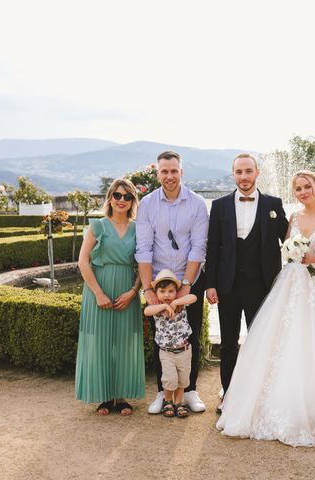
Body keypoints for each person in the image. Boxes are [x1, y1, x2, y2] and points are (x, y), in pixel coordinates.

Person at [216, 170, 315, 446]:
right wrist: (293, 253)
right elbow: (286, 248)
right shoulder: (292, 217)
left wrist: (313, 256)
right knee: (285, 340)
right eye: (298, 188)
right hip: (293, 283)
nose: (303, 192)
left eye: (307, 186)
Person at [205, 153, 289, 413]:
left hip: (262, 285)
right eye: (239, 172)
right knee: (229, 343)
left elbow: (289, 239)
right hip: (227, 285)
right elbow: (213, 248)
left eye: (248, 171)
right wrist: (210, 284)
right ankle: (229, 395)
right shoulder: (219, 206)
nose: (244, 177)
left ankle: (259, 396)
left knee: (260, 341)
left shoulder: (273, 204)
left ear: (257, 173)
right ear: (233, 174)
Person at [136, 151, 209, 414]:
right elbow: (143, 248)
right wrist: (148, 290)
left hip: (189, 279)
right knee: (160, 337)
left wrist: (186, 286)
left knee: (193, 333)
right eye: (164, 171)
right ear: (158, 173)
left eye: (174, 171)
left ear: (181, 172)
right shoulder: (146, 204)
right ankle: (162, 392)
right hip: (158, 281)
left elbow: (198, 248)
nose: (169, 176)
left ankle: (190, 391)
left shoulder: (198, 203)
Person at [75, 178, 144, 415]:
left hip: (127, 289)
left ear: (133, 200)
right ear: (110, 198)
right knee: (101, 342)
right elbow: (83, 261)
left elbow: (143, 264)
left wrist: (134, 291)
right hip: (99, 288)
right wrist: (98, 293)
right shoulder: (98, 226)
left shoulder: (139, 227)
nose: (122, 200)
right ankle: (104, 396)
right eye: (118, 195)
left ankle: (121, 397)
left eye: (127, 196)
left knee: (125, 342)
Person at [144, 269, 198, 419]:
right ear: (156, 293)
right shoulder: (157, 308)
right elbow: (147, 311)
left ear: (176, 291)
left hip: (184, 350)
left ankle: (178, 402)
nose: (166, 295)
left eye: (170, 291)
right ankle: (167, 401)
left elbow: (193, 297)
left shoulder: (181, 305)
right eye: (162, 291)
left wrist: (176, 302)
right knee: (169, 379)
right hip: (166, 352)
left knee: (182, 379)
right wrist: (164, 306)